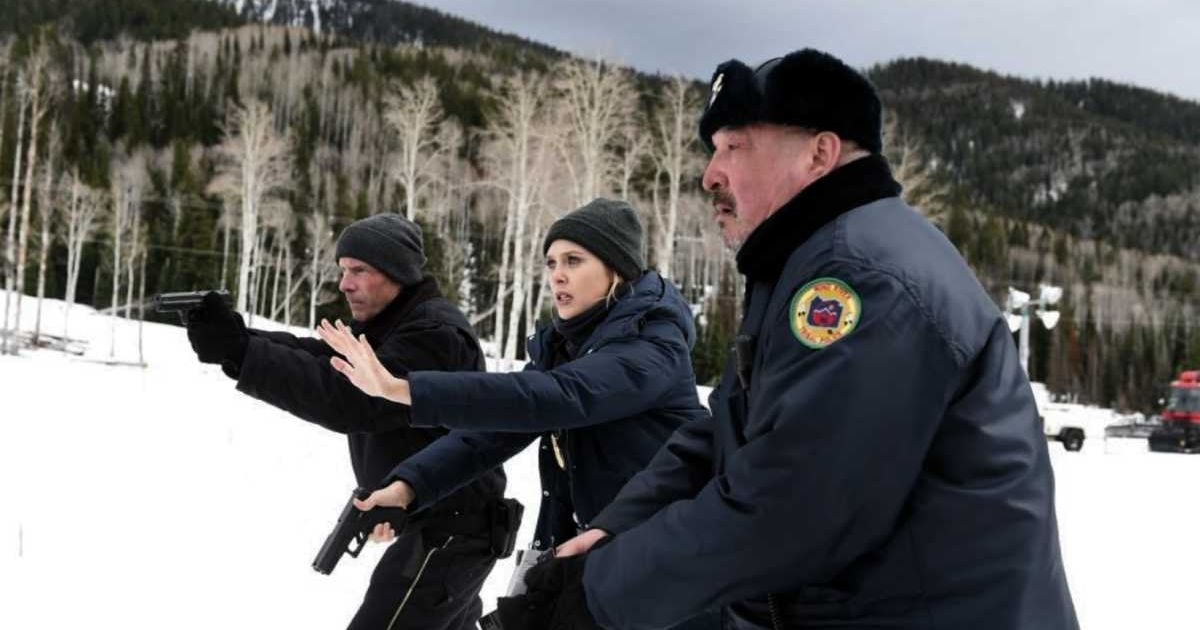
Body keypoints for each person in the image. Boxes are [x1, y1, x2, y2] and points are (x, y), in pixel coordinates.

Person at [543, 49, 1080, 629]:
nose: (710, 174)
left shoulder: (861, 278)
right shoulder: (808, 262)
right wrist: (617, 527)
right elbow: (729, 429)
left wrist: (596, 599)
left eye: (734, 147)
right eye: (712, 150)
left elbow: (793, 506)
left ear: (819, 154)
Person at [320, 198, 719, 629]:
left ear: (617, 270)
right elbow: (491, 433)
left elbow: (555, 395)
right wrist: (409, 486)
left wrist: (403, 389)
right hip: (587, 556)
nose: (557, 275)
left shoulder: (653, 347)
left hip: (664, 564)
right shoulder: (569, 346)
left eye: (574, 260)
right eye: (550, 263)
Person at [184, 213, 507, 630]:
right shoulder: (391, 326)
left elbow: (352, 400)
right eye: (342, 270)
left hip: (454, 529)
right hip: (438, 527)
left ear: (398, 273)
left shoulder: (434, 335)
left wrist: (244, 352)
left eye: (359, 270)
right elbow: (321, 357)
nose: (345, 283)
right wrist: (239, 341)